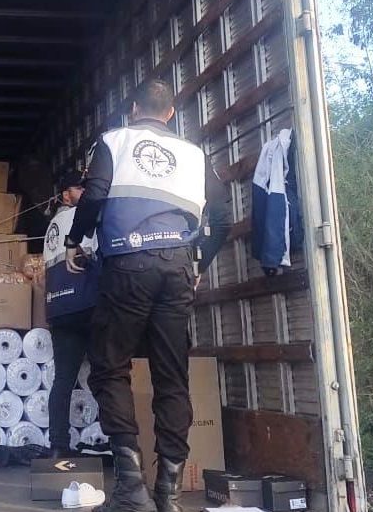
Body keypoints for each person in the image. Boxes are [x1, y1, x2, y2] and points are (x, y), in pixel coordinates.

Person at [64, 78, 231, 512]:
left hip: (127, 264)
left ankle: (131, 489)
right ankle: (168, 495)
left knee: (110, 366)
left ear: (133, 109)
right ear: (171, 113)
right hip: (177, 269)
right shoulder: (195, 154)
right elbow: (223, 217)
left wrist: (74, 239)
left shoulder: (114, 141)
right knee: (171, 376)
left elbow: (94, 195)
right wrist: (198, 264)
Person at [42, 170, 101, 458]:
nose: (85, 193)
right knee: (108, 374)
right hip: (85, 304)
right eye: (80, 188)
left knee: (63, 380)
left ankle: (58, 446)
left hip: (58, 309)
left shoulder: (51, 227)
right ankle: (114, 442)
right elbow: (96, 255)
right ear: (66, 195)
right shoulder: (82, 217)